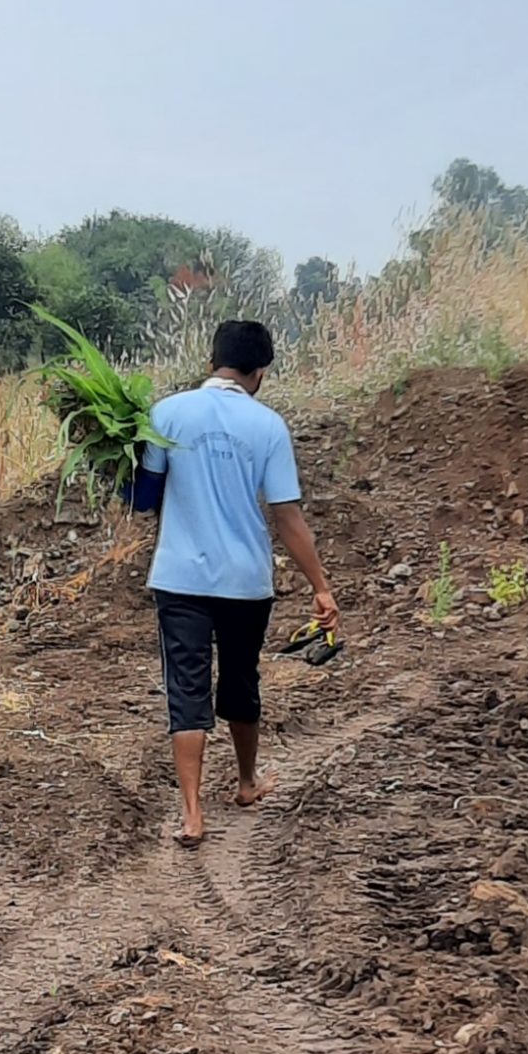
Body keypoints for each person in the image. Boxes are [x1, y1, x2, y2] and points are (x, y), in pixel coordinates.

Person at [139, 318, 339, 845]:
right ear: (260, 372)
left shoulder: (166, 414)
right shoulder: (268, 426)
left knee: (186, 688)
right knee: (240, 680)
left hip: (180, 577)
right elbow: (287, 517)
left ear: (211, 362)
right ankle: (248, 782)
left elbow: (141, 499)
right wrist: (320, 586)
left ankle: (191, 814)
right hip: (245, 582)